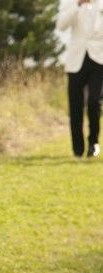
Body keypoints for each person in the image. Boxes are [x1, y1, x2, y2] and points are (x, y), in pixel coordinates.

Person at [57, 0, 103, 158]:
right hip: (76, 60)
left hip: (99, 59)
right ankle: (78, 148)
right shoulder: (69, 2)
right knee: (75, 106)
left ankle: (93, 142)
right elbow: (61, 25)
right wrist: (77, 5)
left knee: (94, 101)